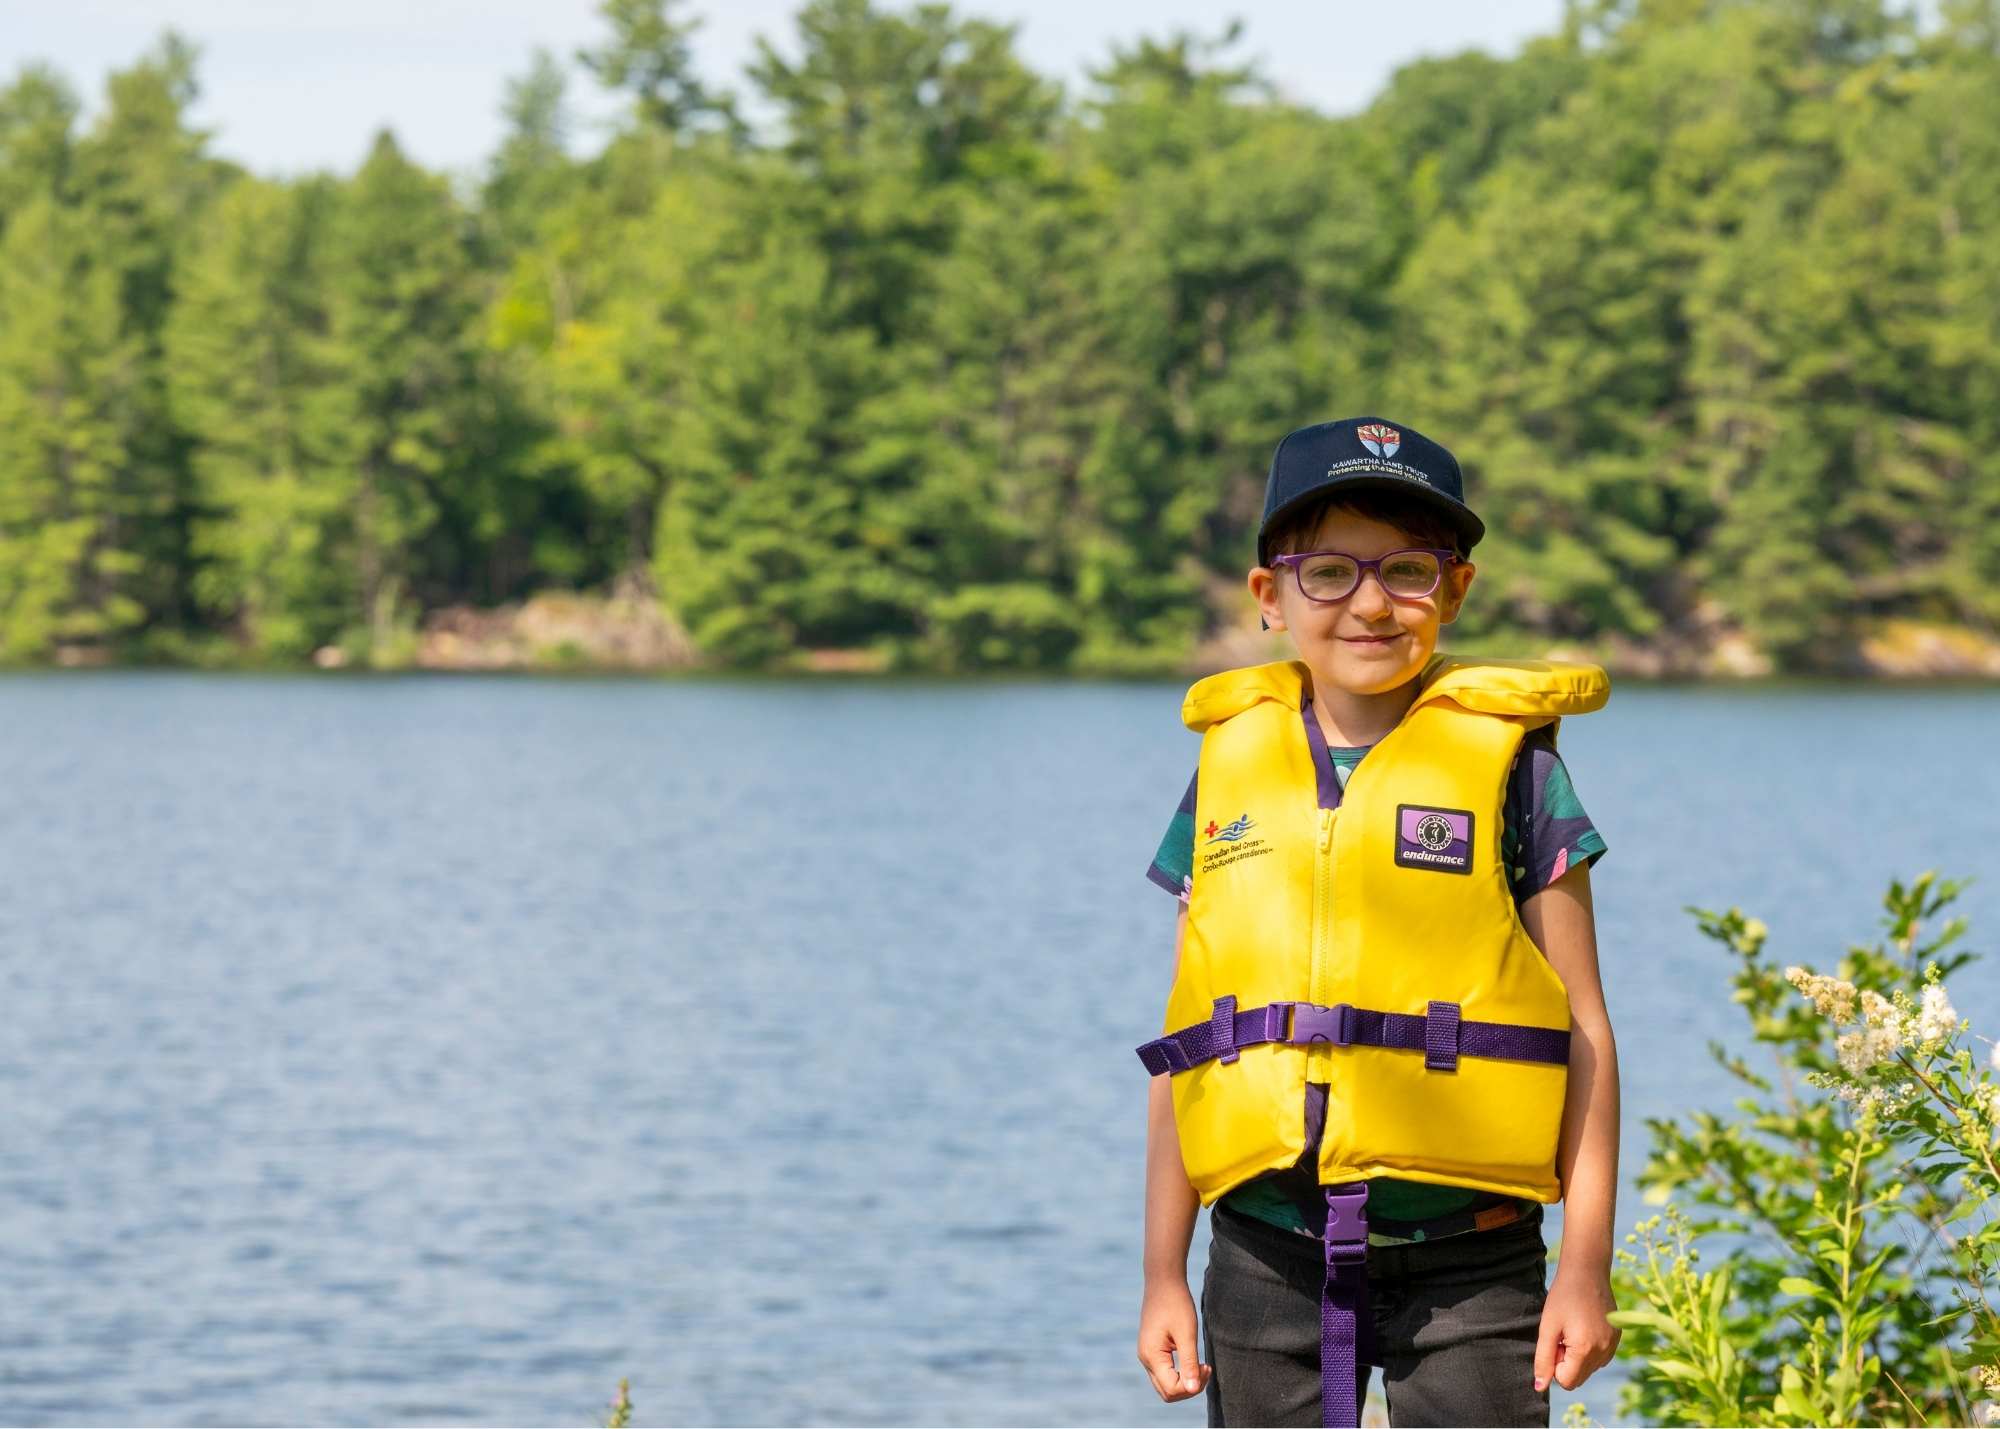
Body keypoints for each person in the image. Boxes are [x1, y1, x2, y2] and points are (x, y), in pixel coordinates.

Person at [1133, 417, 1623, 1428]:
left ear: (1453, 591)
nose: (1368, 602)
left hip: (1471, 1265)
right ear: (1270, 596)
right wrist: (1160, 1274)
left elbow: (1583, 1030)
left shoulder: (1518, 774)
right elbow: (1192, 1035)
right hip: (1262, 1256)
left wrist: (1583, 1267)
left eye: (1406, 569)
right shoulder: (1227, 775)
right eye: (1327, 573)